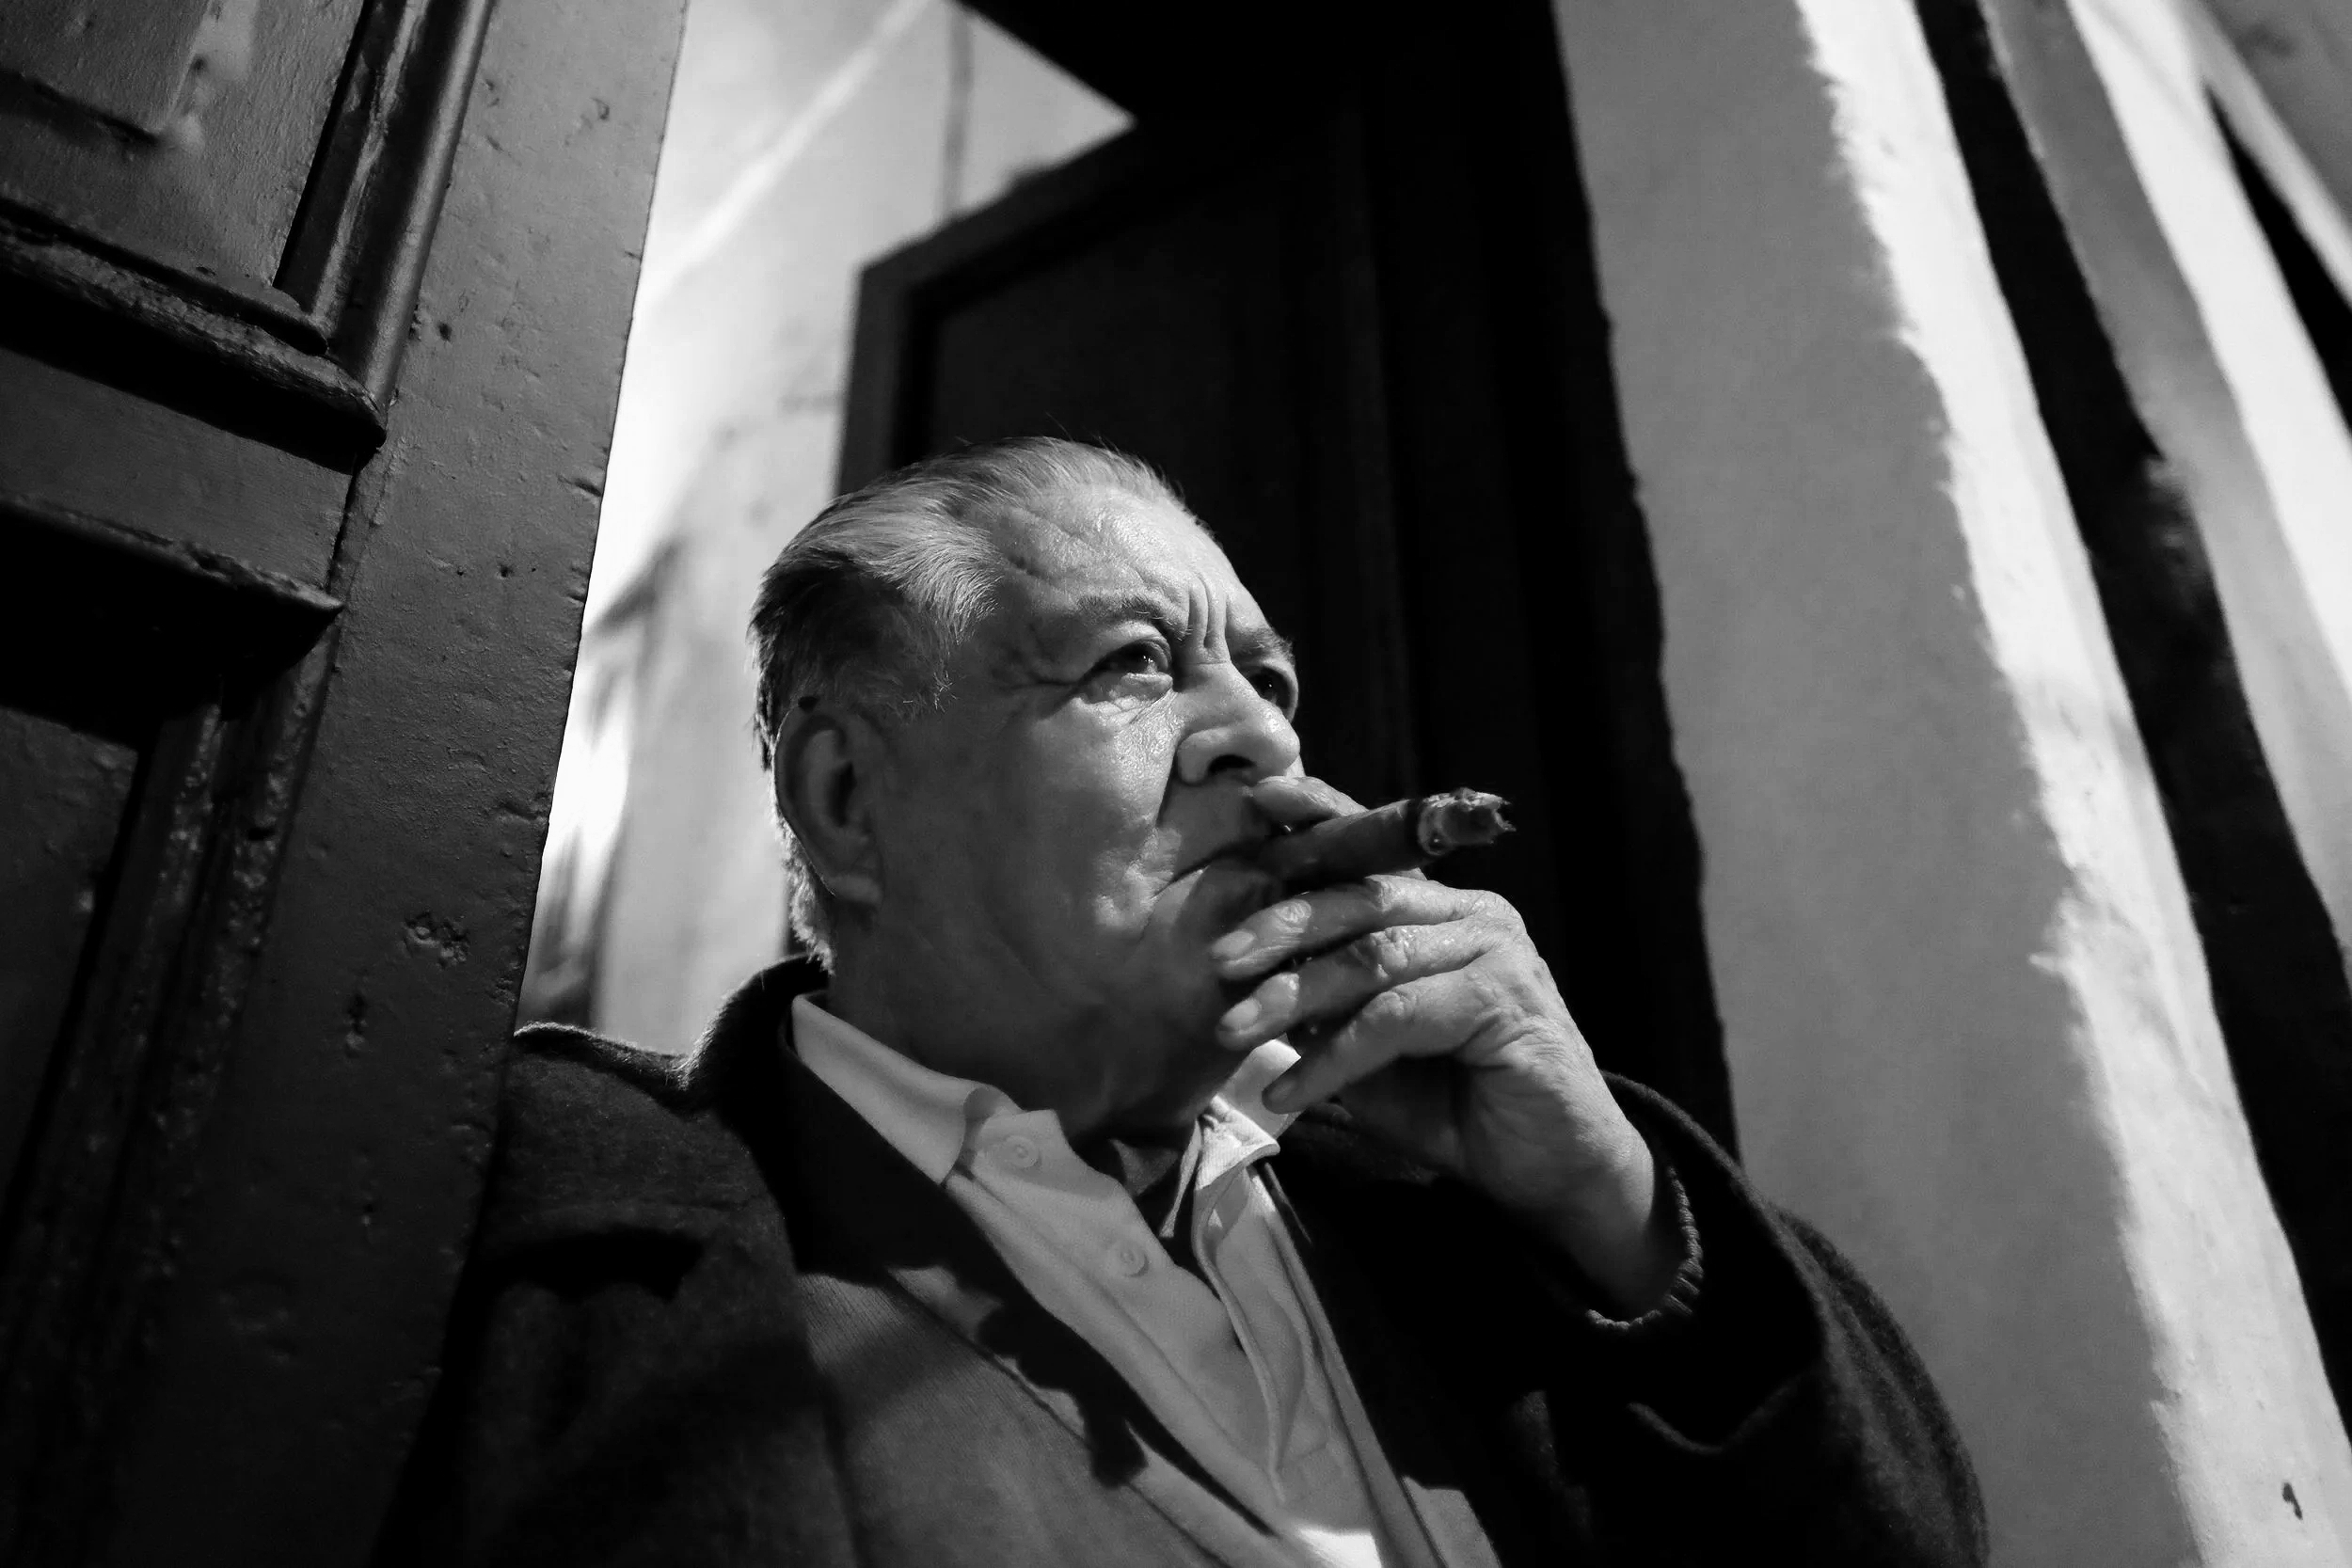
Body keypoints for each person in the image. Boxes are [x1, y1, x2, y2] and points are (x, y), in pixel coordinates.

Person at [378, 437, 1985, 1567]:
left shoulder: (1439, 1213)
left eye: (1270, 683)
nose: (1265, 749)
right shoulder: (578, 1231)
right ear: (849, 796)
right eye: (1137, 662)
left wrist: (1612, 1206)